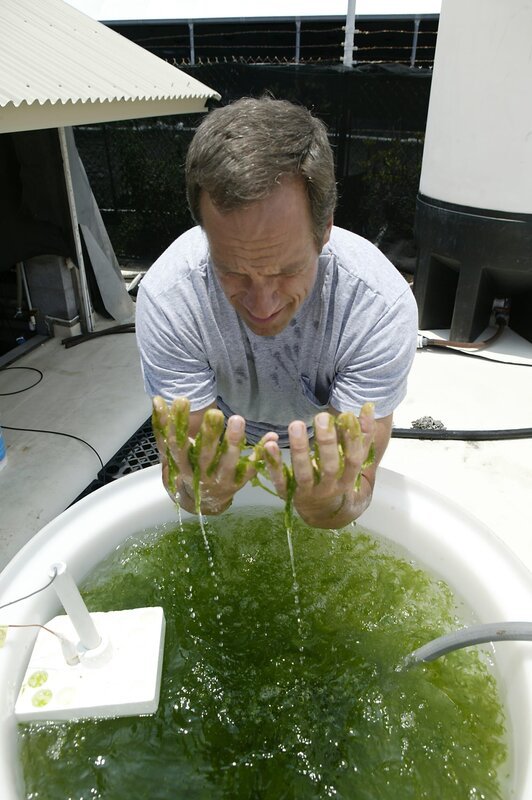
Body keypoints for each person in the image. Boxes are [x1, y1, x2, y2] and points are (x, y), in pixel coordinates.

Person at [135, 96, 418, 529]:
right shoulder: (171, 299)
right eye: (232, 271)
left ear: (324, 231)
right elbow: (187, 488)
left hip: (319, 444)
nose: (262, 304)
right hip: (226, 437)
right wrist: (202, 492)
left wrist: (328, 506)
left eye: (287, 270)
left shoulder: (377, 307)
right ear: (205, 232)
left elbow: (356, 486)